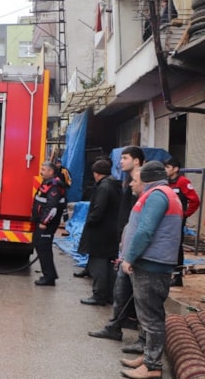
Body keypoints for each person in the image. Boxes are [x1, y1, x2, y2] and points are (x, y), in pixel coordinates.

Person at [119, 161, 183, 378]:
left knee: (151, 317)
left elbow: (145, 230)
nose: (132, 184)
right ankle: (148, 357)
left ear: (146, 179)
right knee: (148, 314)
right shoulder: (164, 193)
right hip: (152, 262)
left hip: (151, 264)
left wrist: (130, 257)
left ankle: (152, 366)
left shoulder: (157, 195)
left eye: (136, 180)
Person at [89, 146, 145, 350]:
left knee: (138, 292)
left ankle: (143, 339)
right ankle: (115, 327)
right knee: (122, 289)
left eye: (125, 158)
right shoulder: (128, 181)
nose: (120, 162)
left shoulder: (143, 183)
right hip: (126, 240)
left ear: (137, 161)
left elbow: (142, 221)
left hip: (135, 247)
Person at [78, 159, 122, 306]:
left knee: (98, 265)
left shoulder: (104, 187)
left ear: (96, 174)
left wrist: (90, 221)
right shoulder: (115, 184)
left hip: (100, 232)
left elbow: (98, 210)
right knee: (109, 265)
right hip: (111, 231)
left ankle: (99, 295)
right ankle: (110, 295)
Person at [164, 157, 200, 286]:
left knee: (177, 247)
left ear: (176, 169)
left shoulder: (183, 182)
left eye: (168, 167)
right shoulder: (166, 182)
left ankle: (178, 277)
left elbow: (195, 201)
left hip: (178, 221)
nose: (165, 169)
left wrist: (185, 214)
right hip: (166, 221)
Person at [31, 161, 67, 286]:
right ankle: (48, 275)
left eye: (44, 169)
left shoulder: (54, 185)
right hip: (42, 222)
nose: (41, 171)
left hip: (46, 224)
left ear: (51, 172)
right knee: (40, 246)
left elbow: (52, 207)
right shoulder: (48, 183)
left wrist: (44, 222)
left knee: (44, 248)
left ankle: (49, 277)